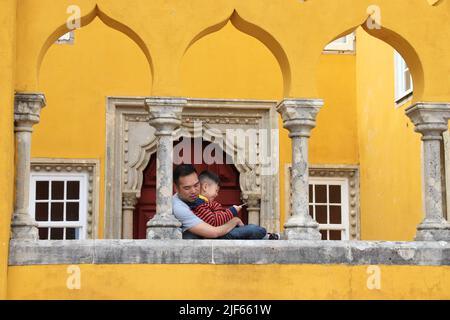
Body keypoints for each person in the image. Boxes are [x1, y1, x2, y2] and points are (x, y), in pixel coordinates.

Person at [172, 165, 277, 240]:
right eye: (187, 188)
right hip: (208, 236)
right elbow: (213, 232)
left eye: (196, 185)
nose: (194, 191)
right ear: (176, 188)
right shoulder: (178, 207)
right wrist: (234, 219)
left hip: (213, 232)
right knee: (253, 230)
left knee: (250, 230)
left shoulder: (198, 200)